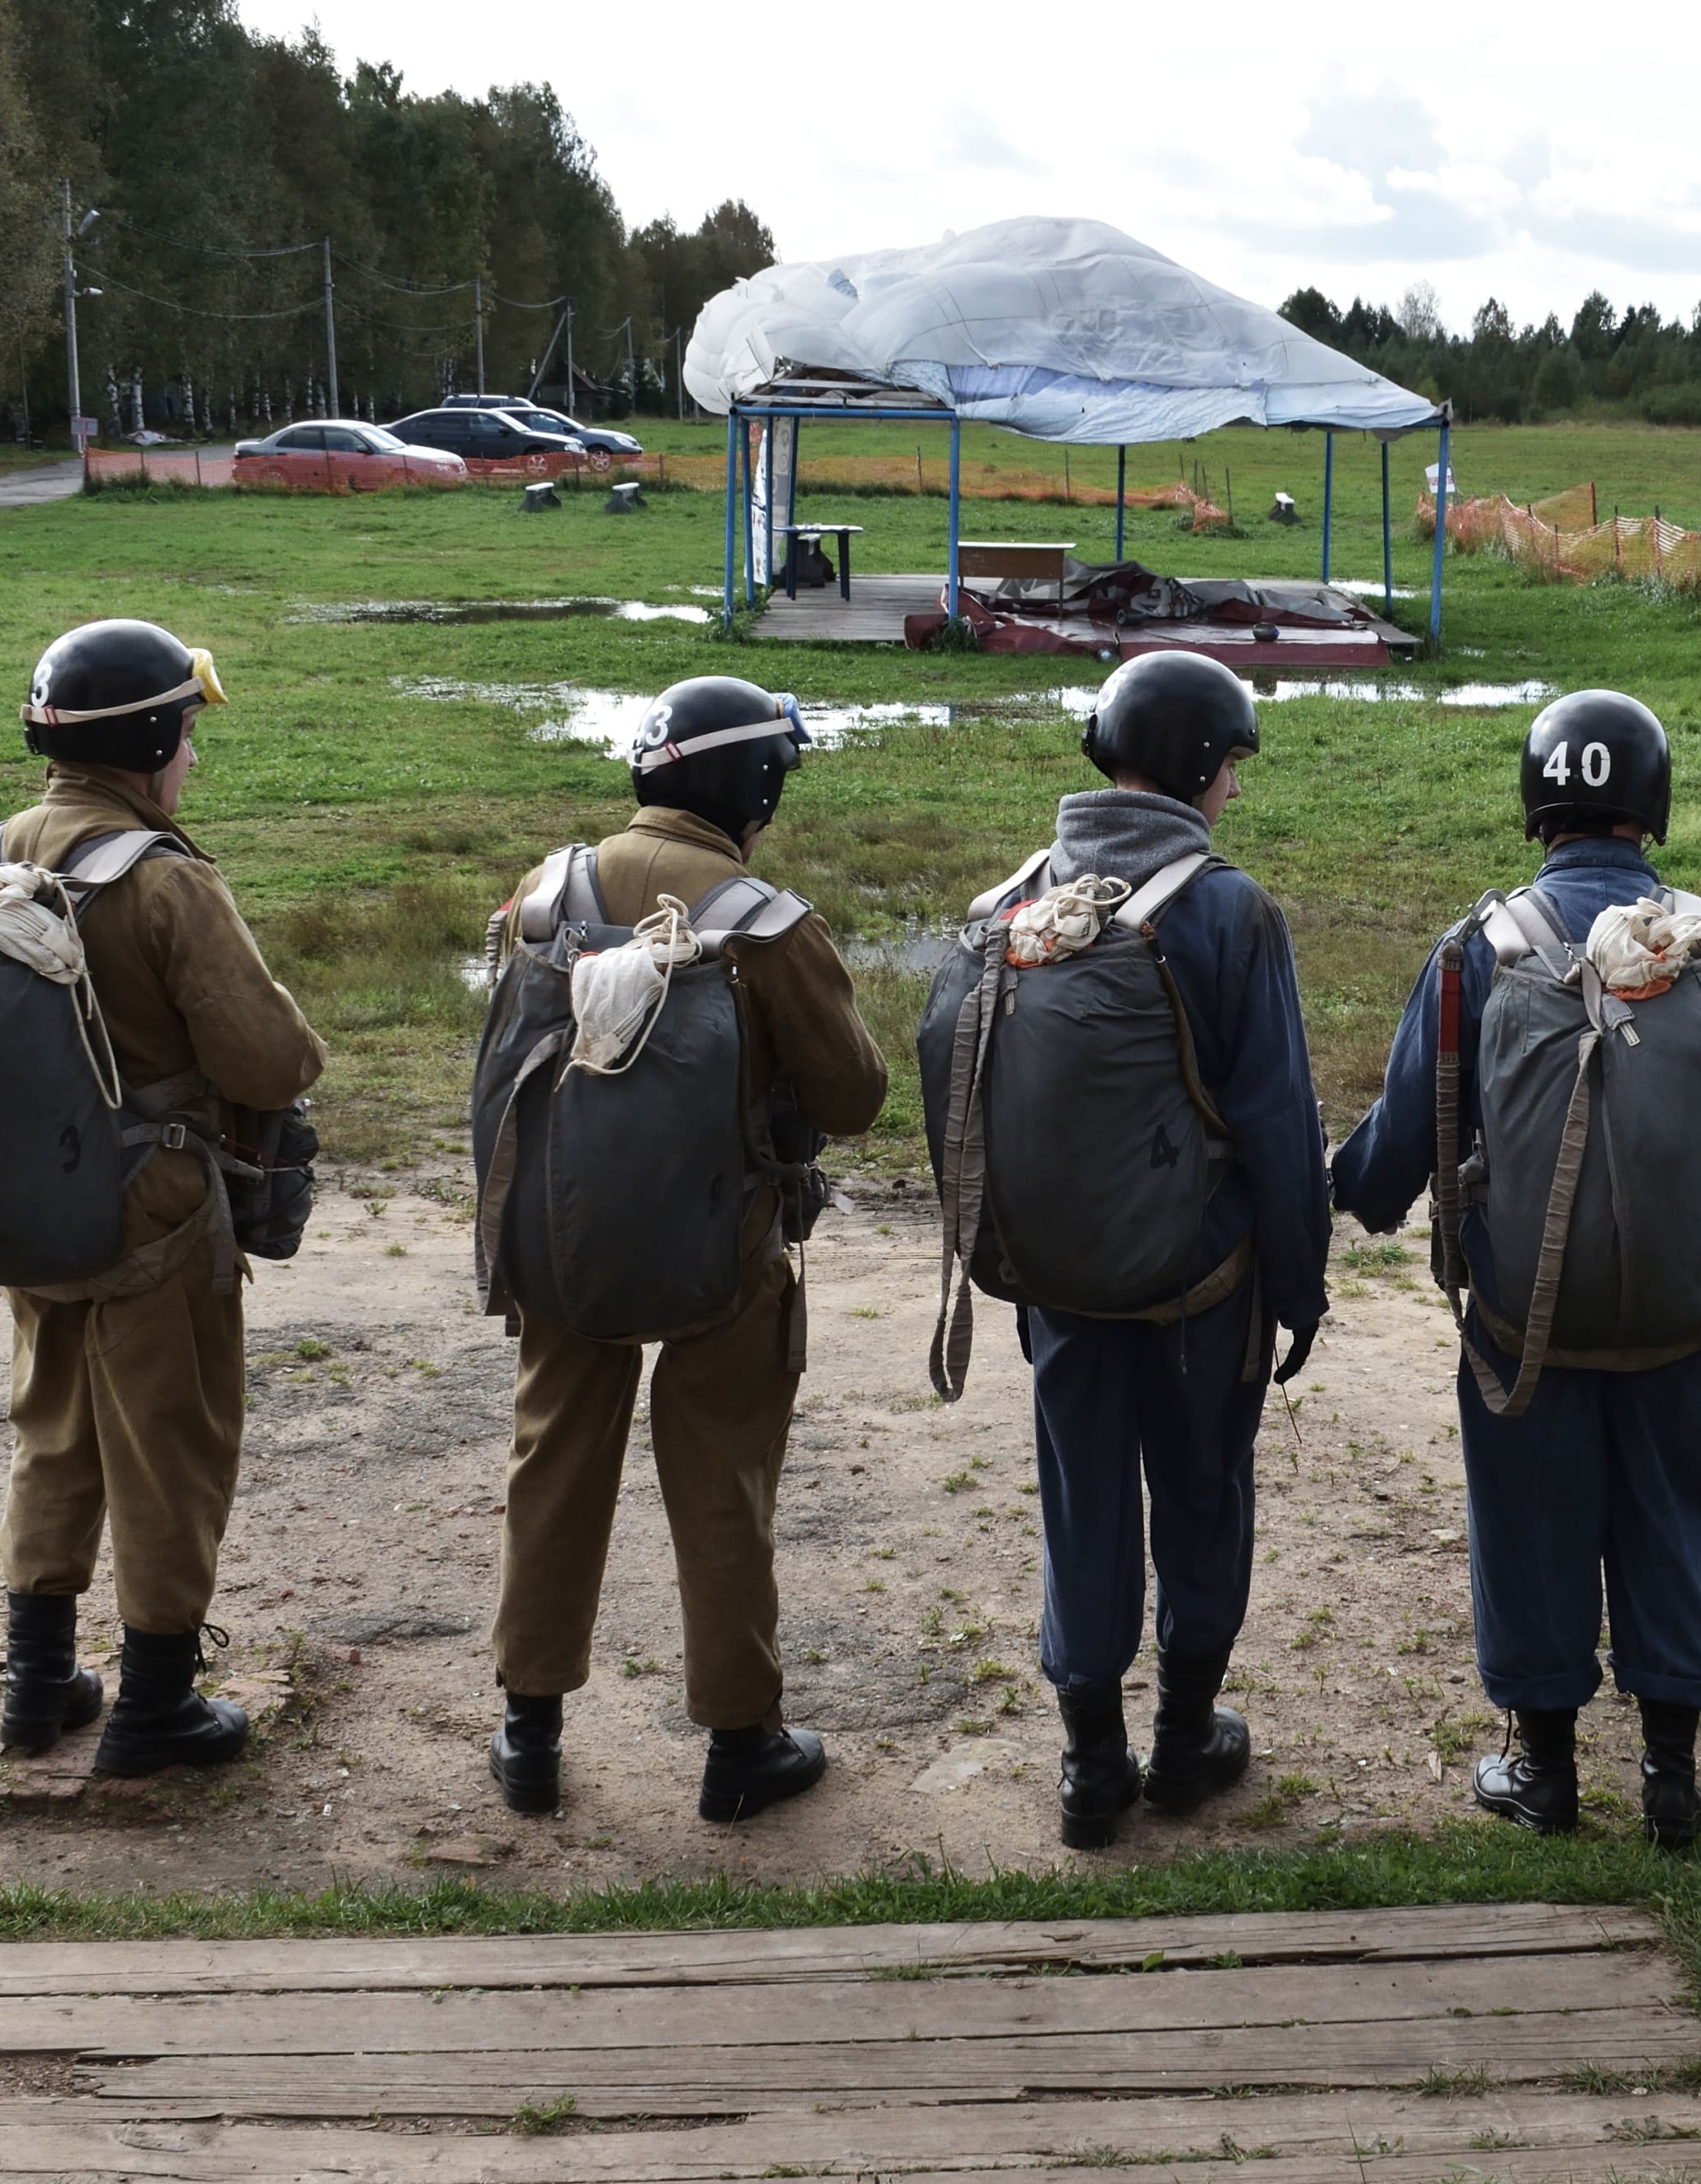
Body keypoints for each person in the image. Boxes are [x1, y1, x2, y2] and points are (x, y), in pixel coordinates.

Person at [1333, 692, 1701, 1848]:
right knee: (1675, 1518)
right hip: (1683, 1317)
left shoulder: (1478, 948)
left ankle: (1547, 1772)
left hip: (1524, 1322)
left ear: (1539, 801)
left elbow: (1392, 1154)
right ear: (1652, 804)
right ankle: (1670, 1776)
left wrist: (1329, 1180)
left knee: (1529, 1522)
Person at [483, 676, 886, 1824]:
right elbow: (853, 1096)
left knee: (551, 1462)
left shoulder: (544, 890)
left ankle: (529, 1732)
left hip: (562, 1236)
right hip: (727, 1249)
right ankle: (739, 1744)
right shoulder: (767, 919)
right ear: (749, 786)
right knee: (722, 1482)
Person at [943, 650, 1329, 1850]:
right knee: (1202, 1494)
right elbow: (1278, 1122)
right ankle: (1184, 1740)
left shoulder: (1012, 901)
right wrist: (1302, 1286)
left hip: (1054, 1277)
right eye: (1231, 772)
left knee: (1082, 1501)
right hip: (1199, 1291)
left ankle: (1089, 1763)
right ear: (1204, 767)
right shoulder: (1225, 907)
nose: (1233, 796)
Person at [0, 618, 327, 1778]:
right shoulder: (161, 876)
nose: (192, 754)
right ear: (147, 742)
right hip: (157, 1211)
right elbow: (271, 1062)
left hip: (33, 1204)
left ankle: (36, 1684)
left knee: (54, 1431)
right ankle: (156, 1706)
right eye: (186, 733)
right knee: (171, 1443)